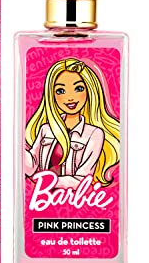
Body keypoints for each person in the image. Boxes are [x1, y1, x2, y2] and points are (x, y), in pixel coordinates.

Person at [25, 58, 120, 189]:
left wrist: (49, 181)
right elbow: (31, 165)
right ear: (52, 95)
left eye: (79, 88)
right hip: (42, 195)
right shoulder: (46, 129)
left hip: (71, 196)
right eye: (60, 91)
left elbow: (83, 178)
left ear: (89, 91)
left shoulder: (94, 134)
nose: (70, 97)